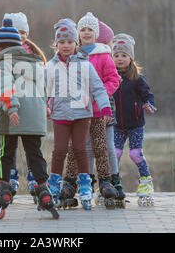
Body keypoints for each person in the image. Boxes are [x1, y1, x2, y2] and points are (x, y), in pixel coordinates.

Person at [0, 18, 57, 219]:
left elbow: (5, 87)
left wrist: (12, 108)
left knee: (6, 152)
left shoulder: (3, 63)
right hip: (35, 119)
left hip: (12, 118)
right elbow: (43, 92)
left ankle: (4, 189)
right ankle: (43, 189)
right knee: (34, 154)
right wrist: (44, 110)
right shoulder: (36, 63)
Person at [46, 18, 111, 210]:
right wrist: (45, 105)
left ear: (76, 43)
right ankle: (54, 186)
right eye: (62, 42)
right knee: (59, 151)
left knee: (80, 149)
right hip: (60, 115)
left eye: (70, 42)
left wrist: (105, 107)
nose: (66, 46)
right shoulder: (50, 66)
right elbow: (43, 90)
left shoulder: (85, 64)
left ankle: (84, 185)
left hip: (82, 115)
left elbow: (98, 88)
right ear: (56, 44)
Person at [63, 13, 120, 208]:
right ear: (78, 33)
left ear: (96, 34)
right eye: (83, 30)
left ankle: (105, 180)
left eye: (90, 30)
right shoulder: (72, 54)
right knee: (75, 148)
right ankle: (70, 183)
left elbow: (113, 79)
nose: (86, 33)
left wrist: (99, 93)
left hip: (96, 111)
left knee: (100, 146)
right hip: (77, 111)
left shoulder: (103, 55)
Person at [1, 12, 47, 202]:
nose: (20, 36)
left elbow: (3, 84)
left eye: (23, 32)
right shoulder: (36, 59)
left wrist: (10, 106)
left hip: (15, 110)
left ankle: (12, 180)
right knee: (31, 149)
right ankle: (41, 182)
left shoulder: (8, 57)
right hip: (31, 111)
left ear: (27, 34)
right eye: (16, 32)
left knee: (10, 149)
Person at [112, 33, 157, 206]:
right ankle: (111, 182)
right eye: (116, 55)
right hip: (116, 125)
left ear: (130, 57)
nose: (120, 59)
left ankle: (146, 181)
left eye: (124, 55)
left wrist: (149, 105)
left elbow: (148, 95)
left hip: (135, 125)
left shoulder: (137, 78)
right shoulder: (110, 76)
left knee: (135, 153)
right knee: (114, 154)